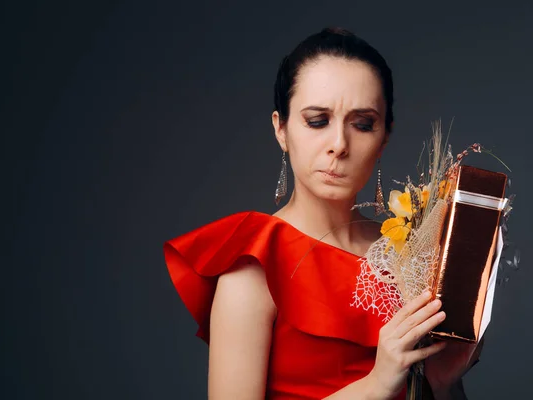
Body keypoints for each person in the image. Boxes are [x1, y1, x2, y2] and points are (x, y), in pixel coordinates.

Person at [163, 27, 482, 400]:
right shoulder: (254, 266)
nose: (339, 145)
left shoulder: (410, 255)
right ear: (280, 129)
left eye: (362, 124)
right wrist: (377, 384)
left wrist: (443, 383)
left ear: (384, 136)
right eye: (317, 121)